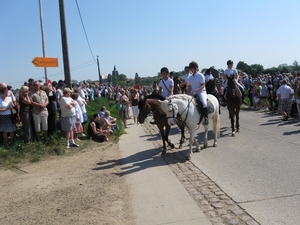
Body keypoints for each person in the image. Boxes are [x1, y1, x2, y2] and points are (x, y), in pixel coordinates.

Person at [187, 61, 209, 125]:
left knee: (204, 103)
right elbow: (189, 87)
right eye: (190, 69)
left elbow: (203, 85)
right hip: (193, 93)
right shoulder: (190, 77)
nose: (191, 70)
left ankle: (206, 117)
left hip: (201, 92)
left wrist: (196, 91)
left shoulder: (200, 75)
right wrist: (187, 94)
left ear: (196, 68)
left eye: (192, 68)